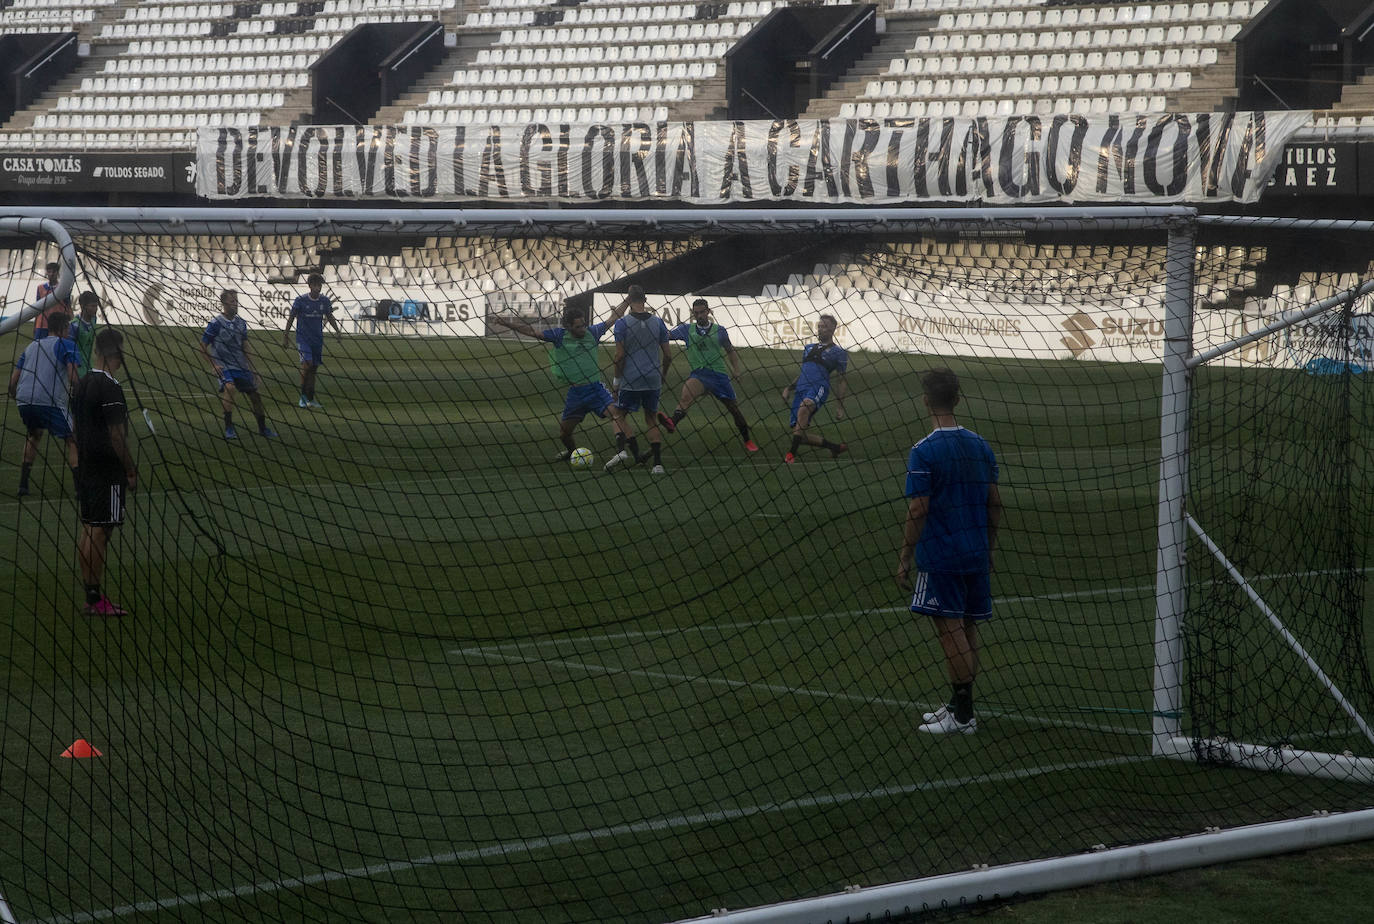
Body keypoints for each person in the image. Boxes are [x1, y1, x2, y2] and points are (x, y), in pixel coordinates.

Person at [896, 368, 1002, 735]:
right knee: (968, 627)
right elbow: (995, 503)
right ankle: (960, 705)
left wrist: (905, 557)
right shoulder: (980, 444)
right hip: (974, 552)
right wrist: (988, 548)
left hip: (942, 554)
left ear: (925, 400)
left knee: (950, 631)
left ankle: (963, 717)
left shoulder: (923, 450)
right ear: (958, 399)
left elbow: (918, 508)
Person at [490, 296, 632, 462]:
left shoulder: (593, 332)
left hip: (595, 389)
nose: (583, 329)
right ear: (569, 326)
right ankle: (571, 452)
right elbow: (531, 331)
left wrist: (629, 299)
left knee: (615, 414)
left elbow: (613, 318)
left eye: (584, 325)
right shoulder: (559, 336)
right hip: (576, 393)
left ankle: (623, 452)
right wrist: (507, 323)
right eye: (578, 327)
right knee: (564, 433)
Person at [72, 328, 138, 617]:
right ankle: (96, 600)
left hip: (87, 465)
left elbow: (75, 428)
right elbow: (116, 435)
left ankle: (90, 594)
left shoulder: (83, 382)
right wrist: (130, 469)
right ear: (117, 354)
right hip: (108, 469)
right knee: (101, 532)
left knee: (89, 528)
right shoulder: (111, 387)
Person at [656, 298, 759, 453]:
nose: (699, 316)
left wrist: (736, 370)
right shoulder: (686, 329)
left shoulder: (720, 330)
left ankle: (747, 440)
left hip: (719, 376)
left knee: (734, 410)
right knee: (686, 397)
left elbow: (730, 351)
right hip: (699, 374)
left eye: (702, 312)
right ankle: (672, 422)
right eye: (696, 313)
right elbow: (666, 336)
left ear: (708, 311)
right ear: (693, 313)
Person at [8, 311, 80, 496]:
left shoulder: (32, 346)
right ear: (64, 328)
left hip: (24, 400)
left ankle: (23, 485)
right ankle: (81, 489)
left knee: (34, 435)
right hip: (48, 400)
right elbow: (73, 376)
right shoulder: (67, 345)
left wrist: (16, 396)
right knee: (74, 439)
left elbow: (14, 379)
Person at [604, 285, 672, 474]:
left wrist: (616, 383)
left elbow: (619, 356)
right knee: (651, 419)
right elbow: (668, 355)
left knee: (618, 415)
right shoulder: (659, 323)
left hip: (631, 378)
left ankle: (623, 451)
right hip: (653, 379)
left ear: (629, 301)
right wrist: (663, 375)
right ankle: (657, 464)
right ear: (645, 300)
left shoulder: (622, 323)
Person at [202, 289, 278, 440]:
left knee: (255, 395)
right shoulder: (216, 323)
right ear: (224, 304)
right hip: (225, 367)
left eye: (236, 301)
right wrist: (214, 365)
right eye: (232, 301)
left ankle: (263, 428)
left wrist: (253, 369)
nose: (235, 304)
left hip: (240, 366)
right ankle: (229, 428)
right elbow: (202, 347)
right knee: (230, 388)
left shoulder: (241, 324)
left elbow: (246, 347)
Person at [781, 313, 848, 463]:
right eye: (819, 326)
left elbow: (842, 380)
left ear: (832, 329)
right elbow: (804, 371)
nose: (820, 329)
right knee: (800, 434)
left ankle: (791, 454)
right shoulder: (808, 347)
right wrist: (788, 388)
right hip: (801, 389)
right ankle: (835, 447)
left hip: (819, 388)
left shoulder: (839, 353)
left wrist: (840, 407)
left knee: (805, 407)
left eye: (824, 327)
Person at [284, 272, 341, 409]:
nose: (317, 288)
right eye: (315, 285)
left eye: (319, 285)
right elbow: (291, 317)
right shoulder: (300, 300)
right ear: (310, 286)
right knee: (306, 365)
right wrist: (285, 335)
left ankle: (311, 399)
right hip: (303, 339)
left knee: (314, 369)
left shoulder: (324, 301)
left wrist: (337, 330)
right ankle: (302, 398)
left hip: (317, 340)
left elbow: (329, 316)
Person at [33, 261, 69, 340]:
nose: (51, 274)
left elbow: (67, 307)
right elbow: (37, 308)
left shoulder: (63, 288)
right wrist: (35, 325)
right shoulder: (40, 288)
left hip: (57, 325)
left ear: (58, 273)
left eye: (54, 272)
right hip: (42, 324)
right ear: (46, 273)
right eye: (49, 272)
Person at [70, 291, 101, 370]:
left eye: (96, 306)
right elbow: (69, 349)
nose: (96, 309)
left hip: (88, 365)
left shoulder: (94, 320)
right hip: (76, 368)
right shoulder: (74, 325)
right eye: (92, 306)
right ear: (83, 306)